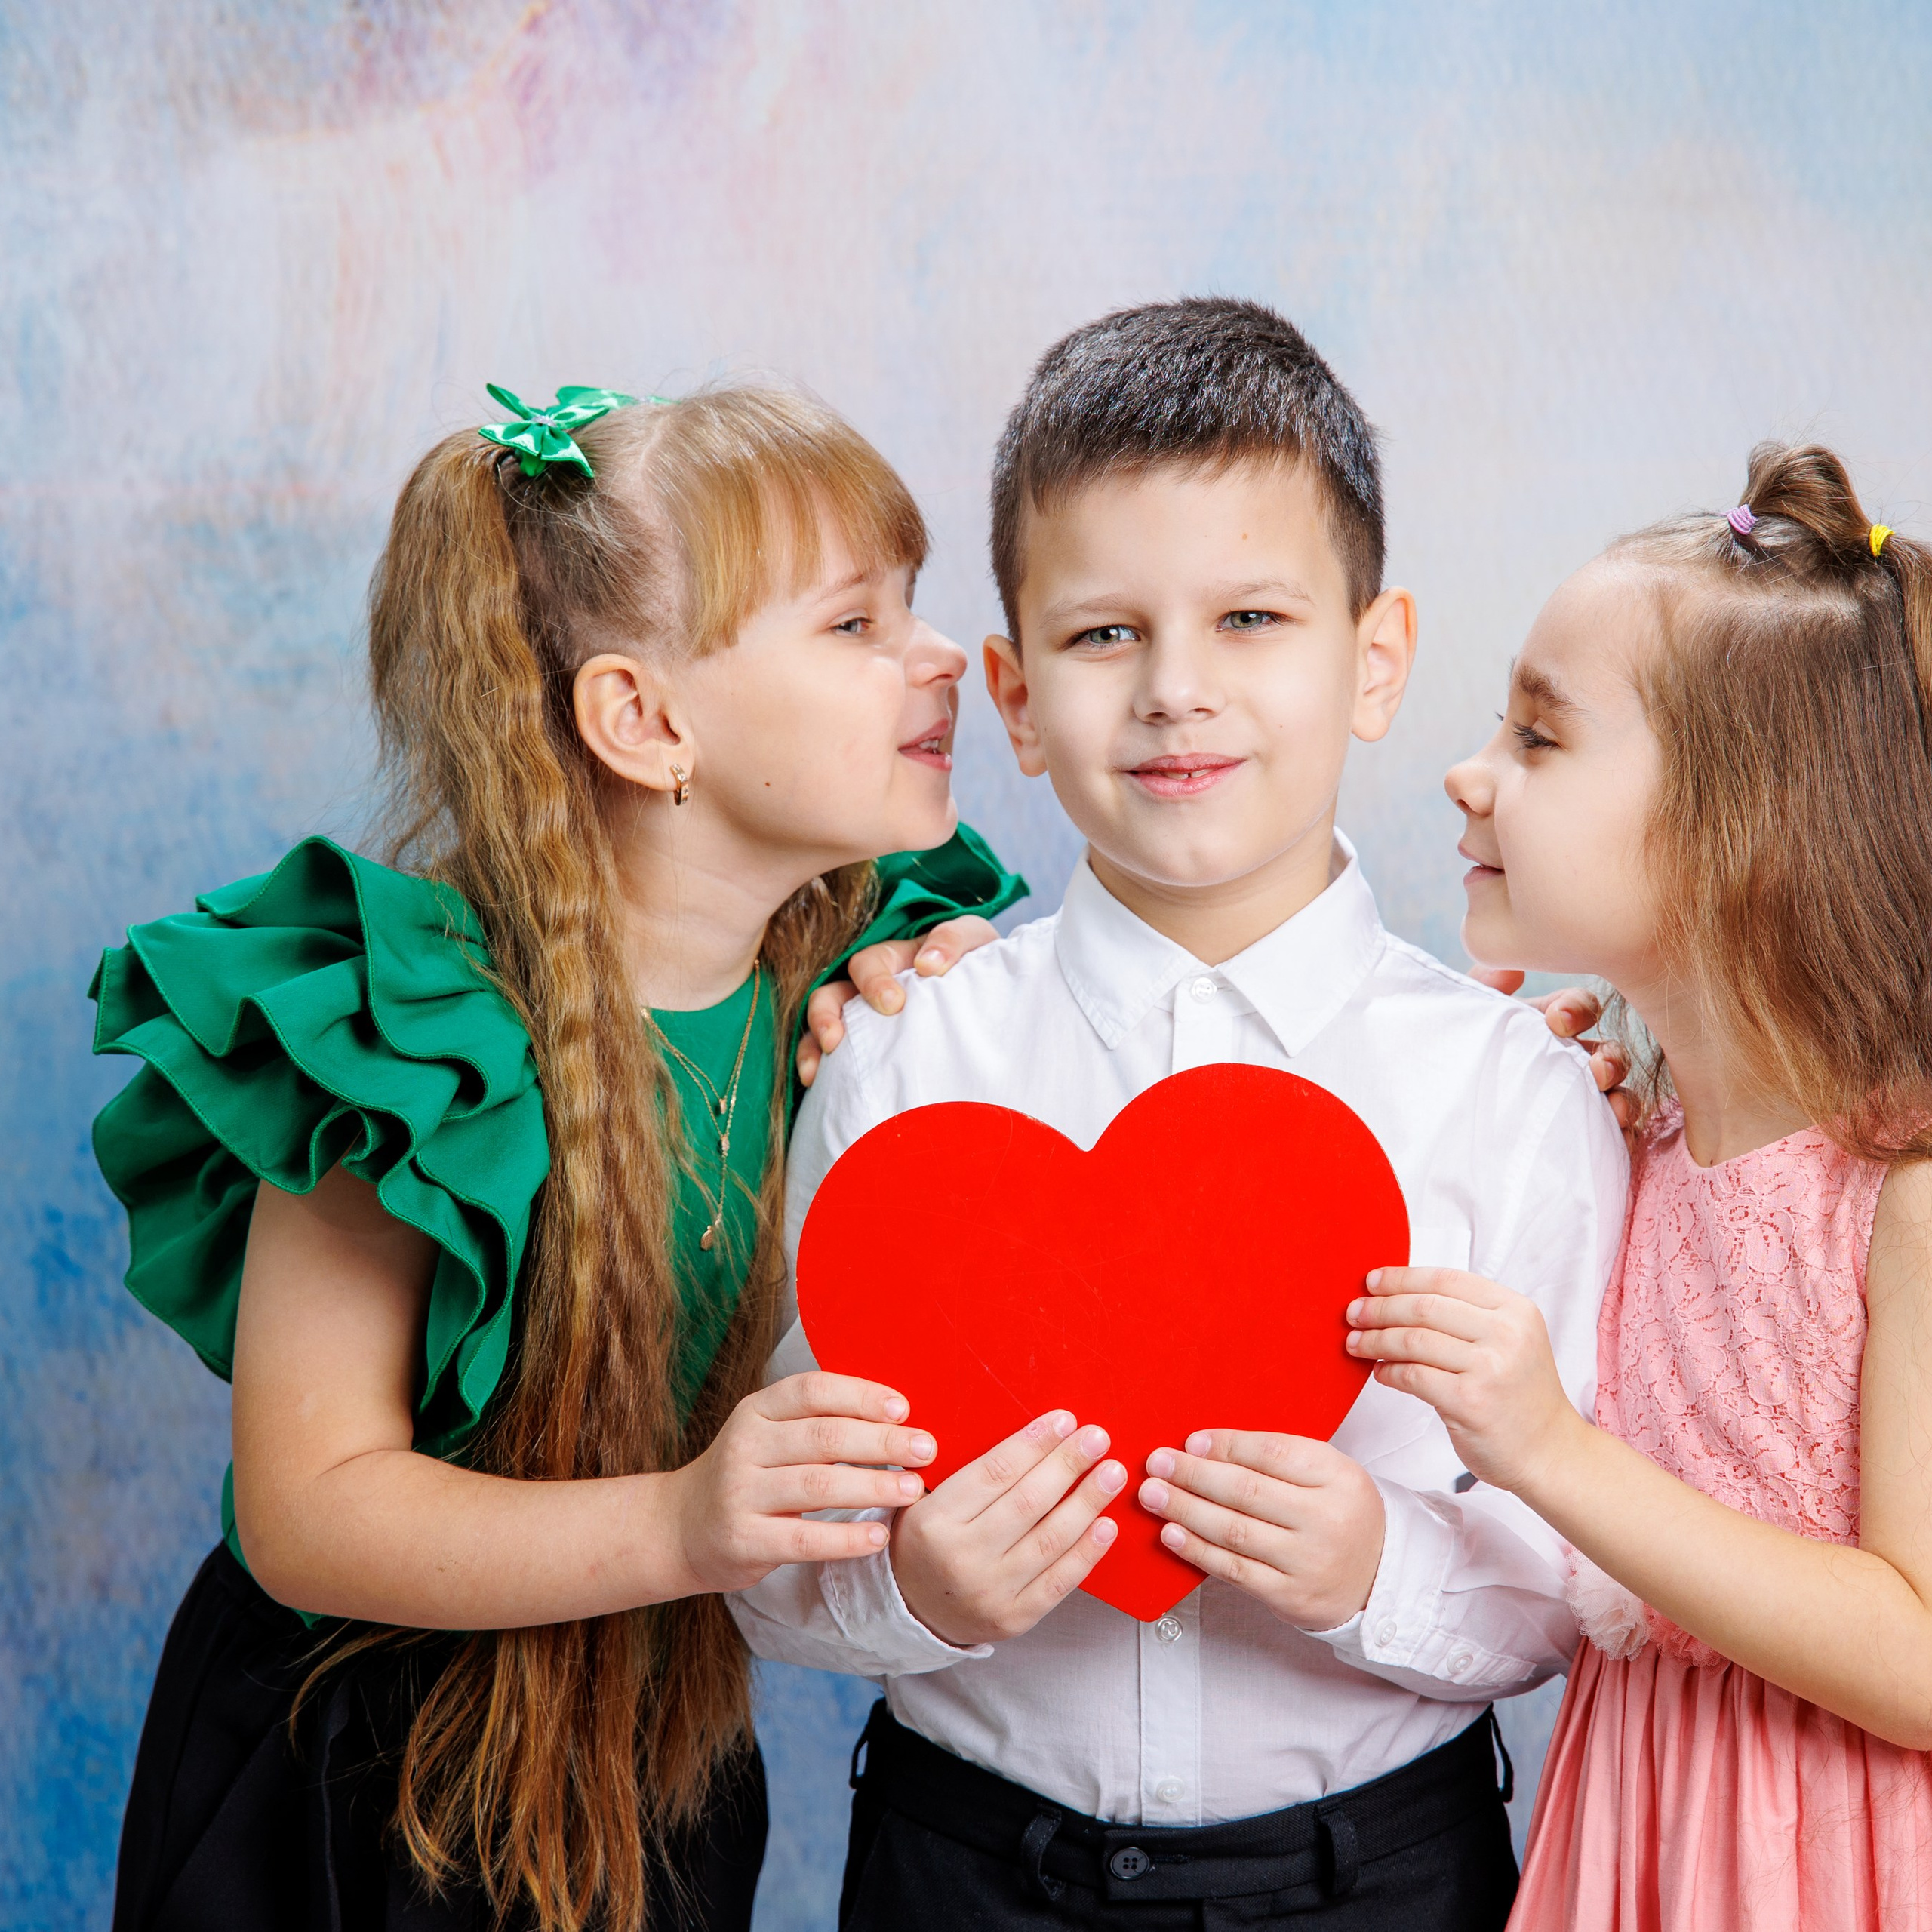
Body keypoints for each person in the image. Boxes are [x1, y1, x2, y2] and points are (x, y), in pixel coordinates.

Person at [731, 297, 1629, 1930]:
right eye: (1102, 635)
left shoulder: (1510, 1090)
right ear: (1009, 694)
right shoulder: (902, 1062)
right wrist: (908, 1586)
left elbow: (1596, 1567)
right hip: (959, 1864)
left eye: (1250, 618)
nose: (1175, 691)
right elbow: (768, 1533)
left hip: (1377, 1875)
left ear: (1373, 662)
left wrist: (1377, 1568)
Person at [90, 380, 1027, 1932]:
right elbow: (307, 1508)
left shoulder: (866, 974)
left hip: (652, 1778)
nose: (934, 654)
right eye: (852, 624)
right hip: (361, 1803)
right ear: (643, 720)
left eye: (912, 603)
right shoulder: (418, 1027)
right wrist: (683, 1521)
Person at [1349, 445, 1932, 1930]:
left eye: (1538, 739)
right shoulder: (1630, 1139)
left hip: (1831, 1859)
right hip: (1636, 1821)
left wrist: (1545, 1440)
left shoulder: (1903, 1195)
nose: (1465, 772)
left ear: (1743, 830)